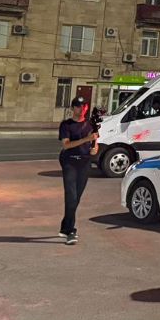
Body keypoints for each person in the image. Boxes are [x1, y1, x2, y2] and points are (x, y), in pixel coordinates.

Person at [58, 96, 98, 245]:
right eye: (78, 106)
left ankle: (65, 227)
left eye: (83, 107)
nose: (81, 109)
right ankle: (70, 231)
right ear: (72, 108)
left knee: (76, 198)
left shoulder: (90, 125)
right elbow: (66, 145)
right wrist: (85, 139)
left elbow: (95, 143)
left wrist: (94, 149)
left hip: (84, 163)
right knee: (71, 196)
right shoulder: (66, 125)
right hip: (69, 162)